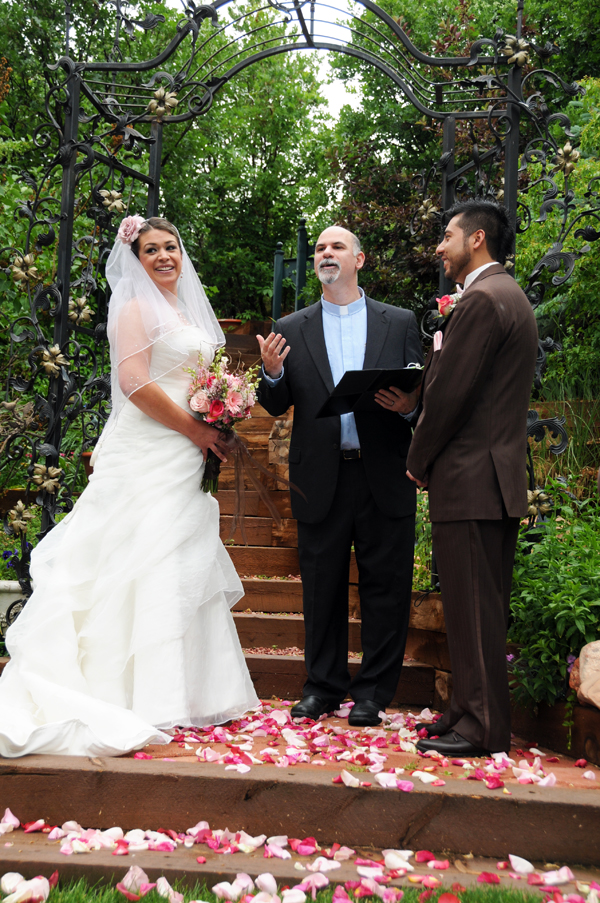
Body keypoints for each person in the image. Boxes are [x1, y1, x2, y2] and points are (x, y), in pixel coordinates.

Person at [0, 216, 259, 757]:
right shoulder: (135, 307)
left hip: (184, 457)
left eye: (171, 246)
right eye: (150, 250)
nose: (164, 256)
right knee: (132, 559)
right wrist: (196, 428)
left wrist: (222, 411)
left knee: (175, 563)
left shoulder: (186, 310)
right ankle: (123, 691)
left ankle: (178, 692)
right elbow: (134, 381)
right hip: (149, 449)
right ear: (135, 259)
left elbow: (198, 379)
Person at [257, 225, 423, 727]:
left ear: (360, 259)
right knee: (321, 588)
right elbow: (275, 403)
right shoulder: (290, 325)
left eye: (336, 247)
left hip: (384, 474)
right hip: (320, 477)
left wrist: (411, 406)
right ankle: (322, 688)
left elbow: (422, 391)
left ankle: (373, 693)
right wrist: (271, 373)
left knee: (386, 588)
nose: (326, 254)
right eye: (319, 249)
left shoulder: (400, 322)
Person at [406, 200, 538, 756]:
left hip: (472, 475)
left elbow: (450, 396)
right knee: (468, 603)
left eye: (447, 236)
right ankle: (463, 711)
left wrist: (417, 458)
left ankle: (482, 727)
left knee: (477, 608)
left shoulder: (483, 300)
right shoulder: (502, 295)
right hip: (487, 476)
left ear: (477, 239)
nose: (440, 247)